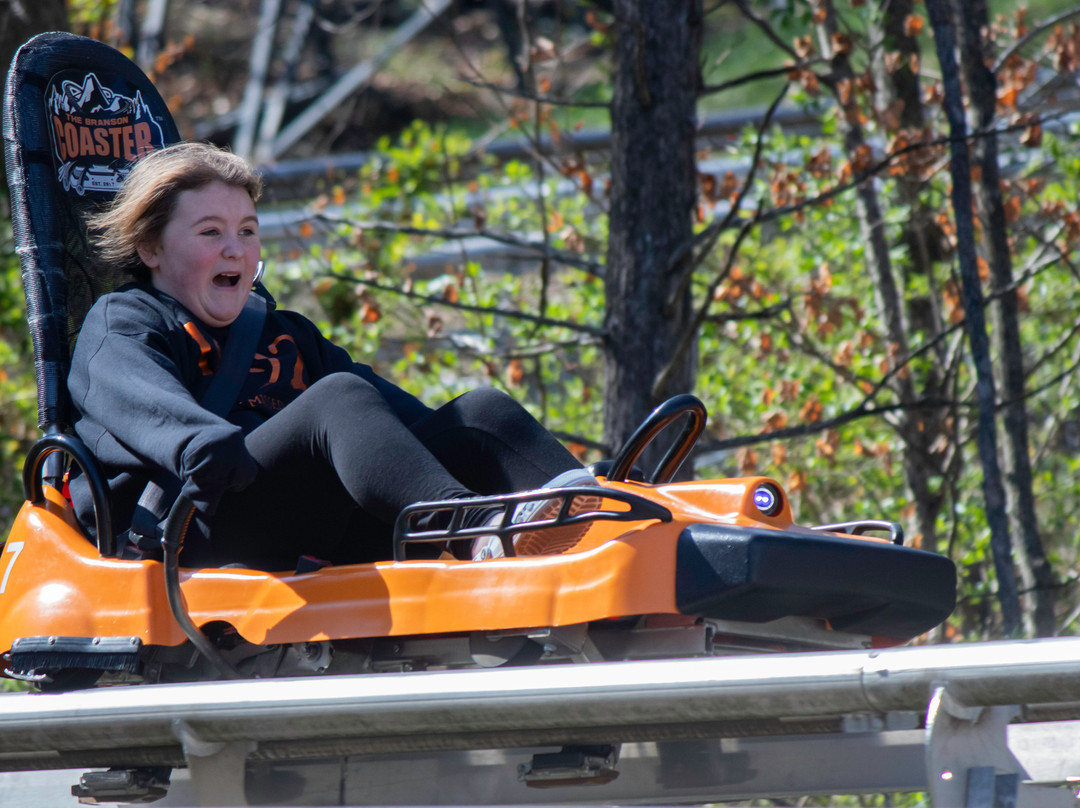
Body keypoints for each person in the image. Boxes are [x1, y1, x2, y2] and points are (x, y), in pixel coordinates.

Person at [67, 142, 598, 568]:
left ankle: (612, 525)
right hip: (193, 524)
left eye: (248, 231)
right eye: (211, 232)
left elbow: (406, 426)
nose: (236, 249)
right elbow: (142, 400)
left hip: (314, 520)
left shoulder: (283, 334)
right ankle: (474, 537)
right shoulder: (125, 319)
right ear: (151, 248)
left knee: (479, 413)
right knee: (337, 399)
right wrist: (200, 442)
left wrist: (456, 448)